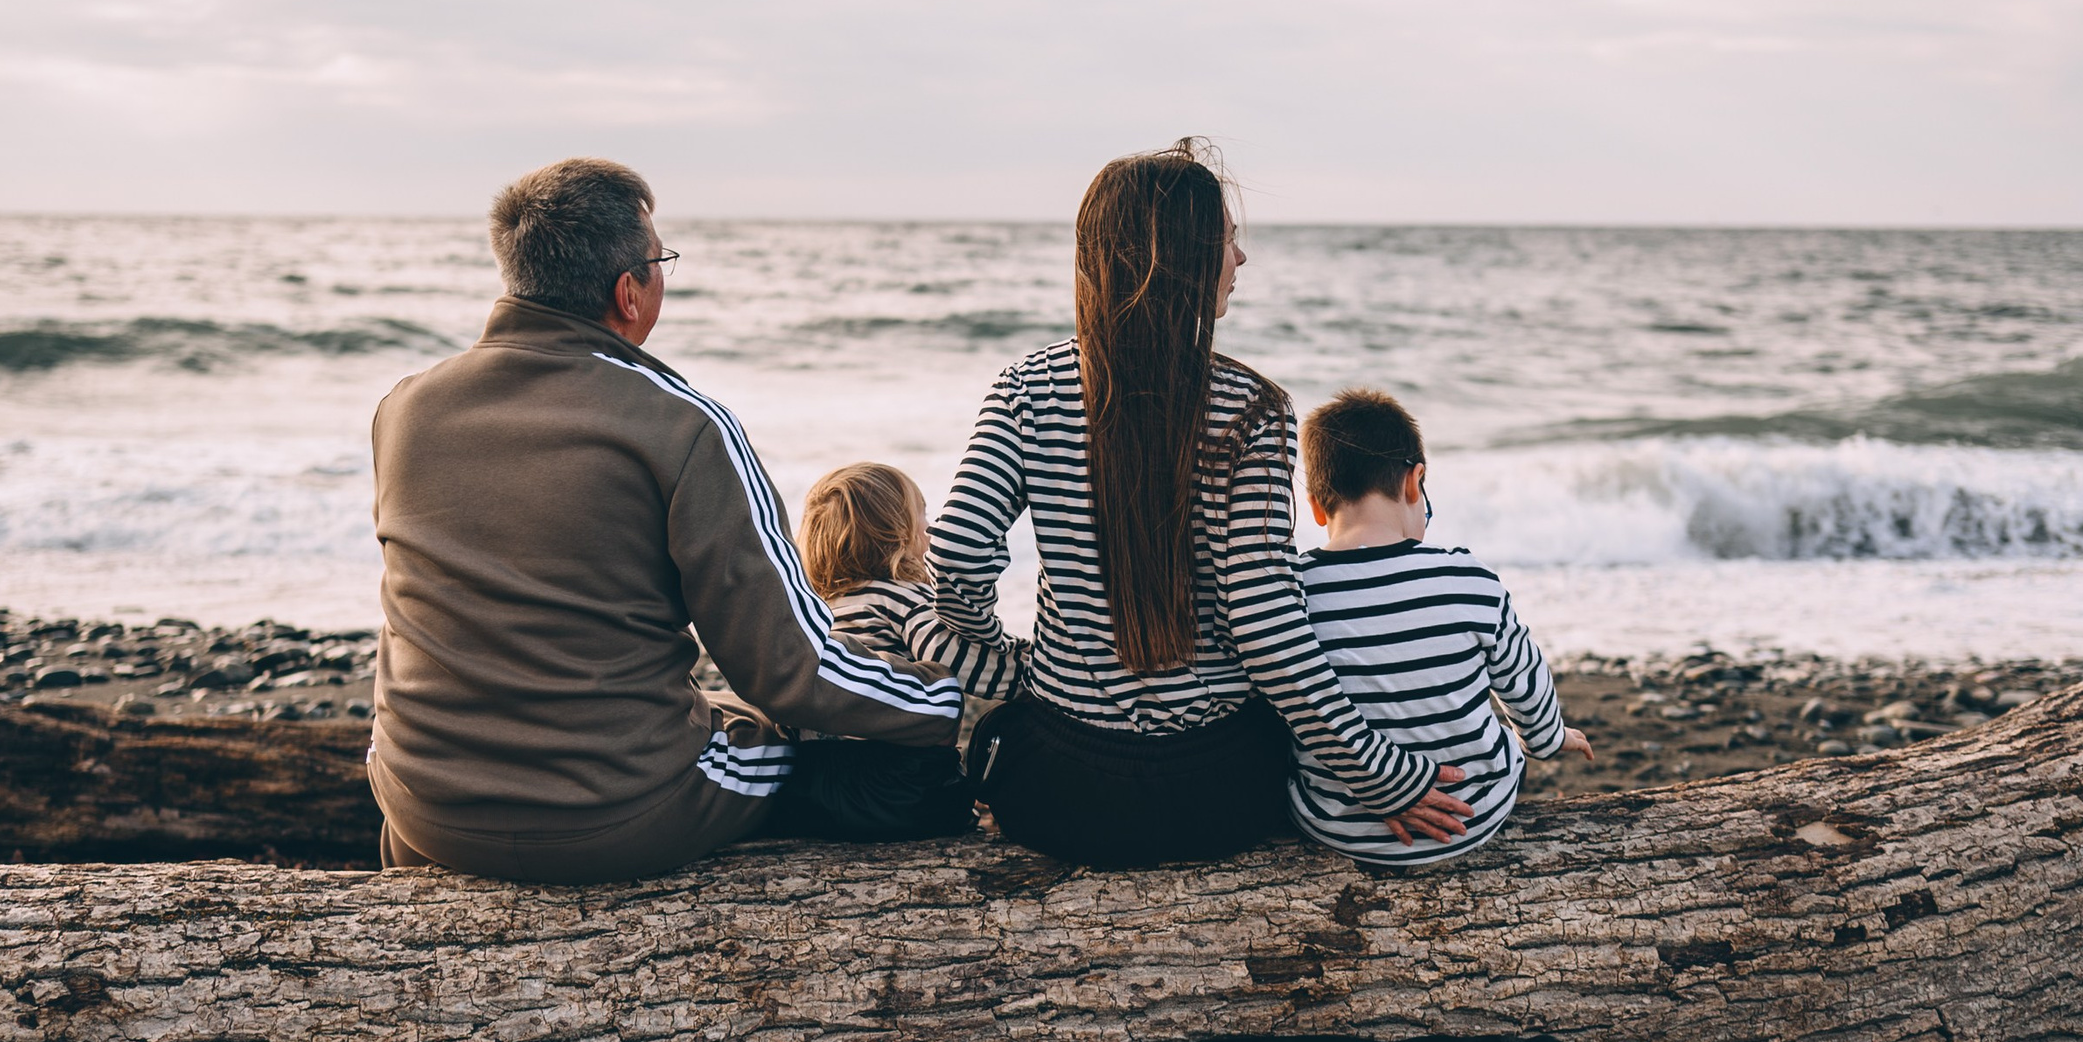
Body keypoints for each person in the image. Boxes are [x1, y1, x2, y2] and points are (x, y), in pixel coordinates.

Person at [367, 158, 964, 882]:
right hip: (611, 815)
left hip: (421, 799)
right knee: (810, 752)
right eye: (660, 262)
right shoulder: (682, 427)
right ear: (629, 292)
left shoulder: (405, 408)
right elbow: (790, 669)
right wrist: (954, 700)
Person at [925, 138, 1473, 867]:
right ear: (1177, 257)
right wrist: (1382, 777)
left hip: (1058, 793)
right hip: (1218, 797)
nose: (1240, 260)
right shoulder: (1252, 410)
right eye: (1227, 240)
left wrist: (1011, 660)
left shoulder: (1028, 389)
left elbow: (956, 553)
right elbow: (1267, 625)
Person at [1291, 388, 1592, 868]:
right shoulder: (1466, 577)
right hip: (1475, 813)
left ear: (1316, 508)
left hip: (1340, 826)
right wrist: (1548, 738)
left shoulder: (1294, 592)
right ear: (1415, 482)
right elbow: (1524, 679)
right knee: (1502, 741)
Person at [770, 462, 1026, 841]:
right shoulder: (904, 597)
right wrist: (1036, 674)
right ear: (899, 534)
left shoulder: (818, 610)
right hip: (897, 787)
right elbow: (956, 660)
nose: (930, 527)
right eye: (923, 515)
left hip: (812, 782)